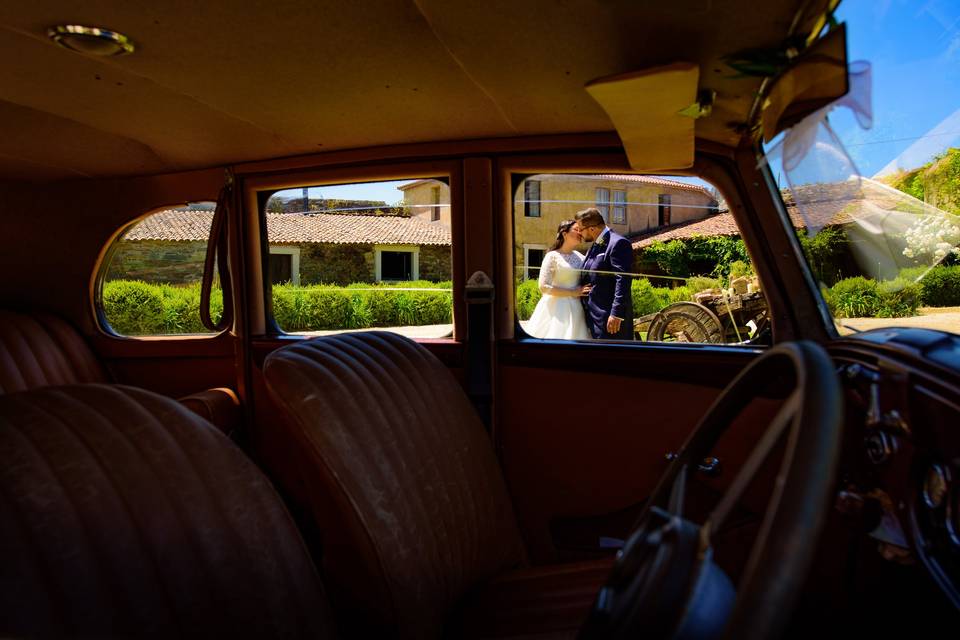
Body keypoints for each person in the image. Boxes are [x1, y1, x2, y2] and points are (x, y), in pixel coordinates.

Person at [524, 220, 592, 340]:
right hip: (556, 309)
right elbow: (543, 287)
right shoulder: (552, 256)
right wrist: (572, 292)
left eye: (580, 230)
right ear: (564, 234)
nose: (580, 233)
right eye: (576, 229)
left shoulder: (581, 257)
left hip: (577, 309)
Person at [575, 207, 634, 339]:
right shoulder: (594, 246)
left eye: (580, 228)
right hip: (594, 316)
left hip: (609, 320)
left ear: (592, 229)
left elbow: (623, 279)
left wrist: (616, 314)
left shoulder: (618, 243)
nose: (579, 232)